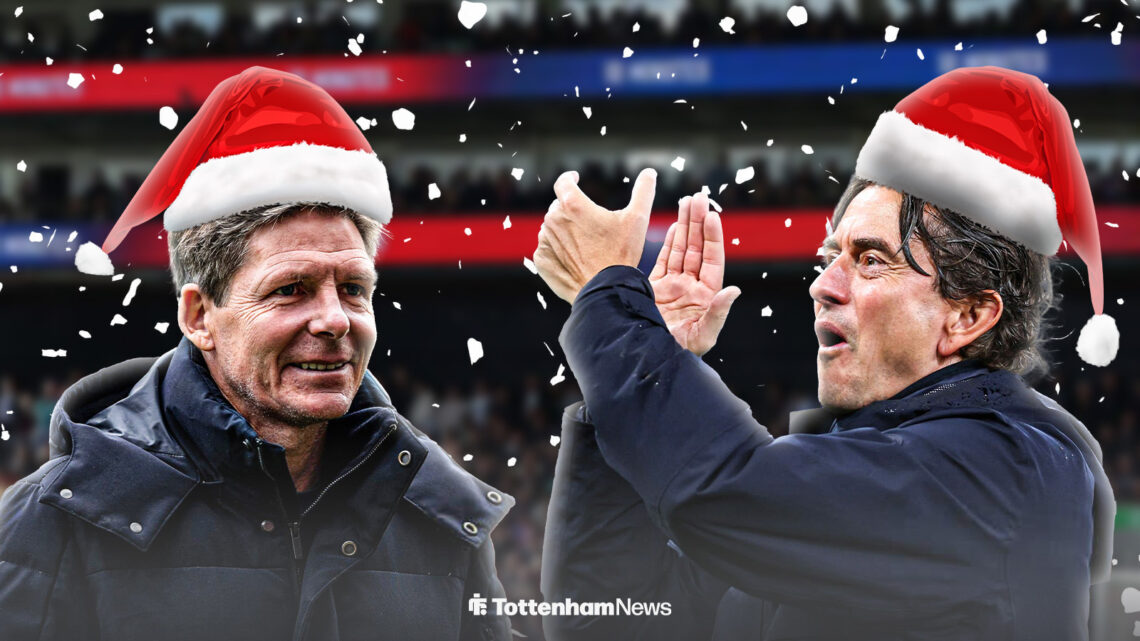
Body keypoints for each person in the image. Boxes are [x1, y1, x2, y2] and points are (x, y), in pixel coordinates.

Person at [534, 66, 1116, 640]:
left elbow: (718, 492)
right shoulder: (846, 463)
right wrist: (644, 358)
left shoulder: (1007, 469)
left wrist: (611, 300)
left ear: (967, 316)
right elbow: (613, 617)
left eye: (870, 260)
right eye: (828, 257)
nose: (822, 285)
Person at [0, 67, 514, 640]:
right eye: (290, 289)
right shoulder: (55, 520)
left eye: (353, 288)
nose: (334, 319)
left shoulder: (440, 510)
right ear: (200, 318)